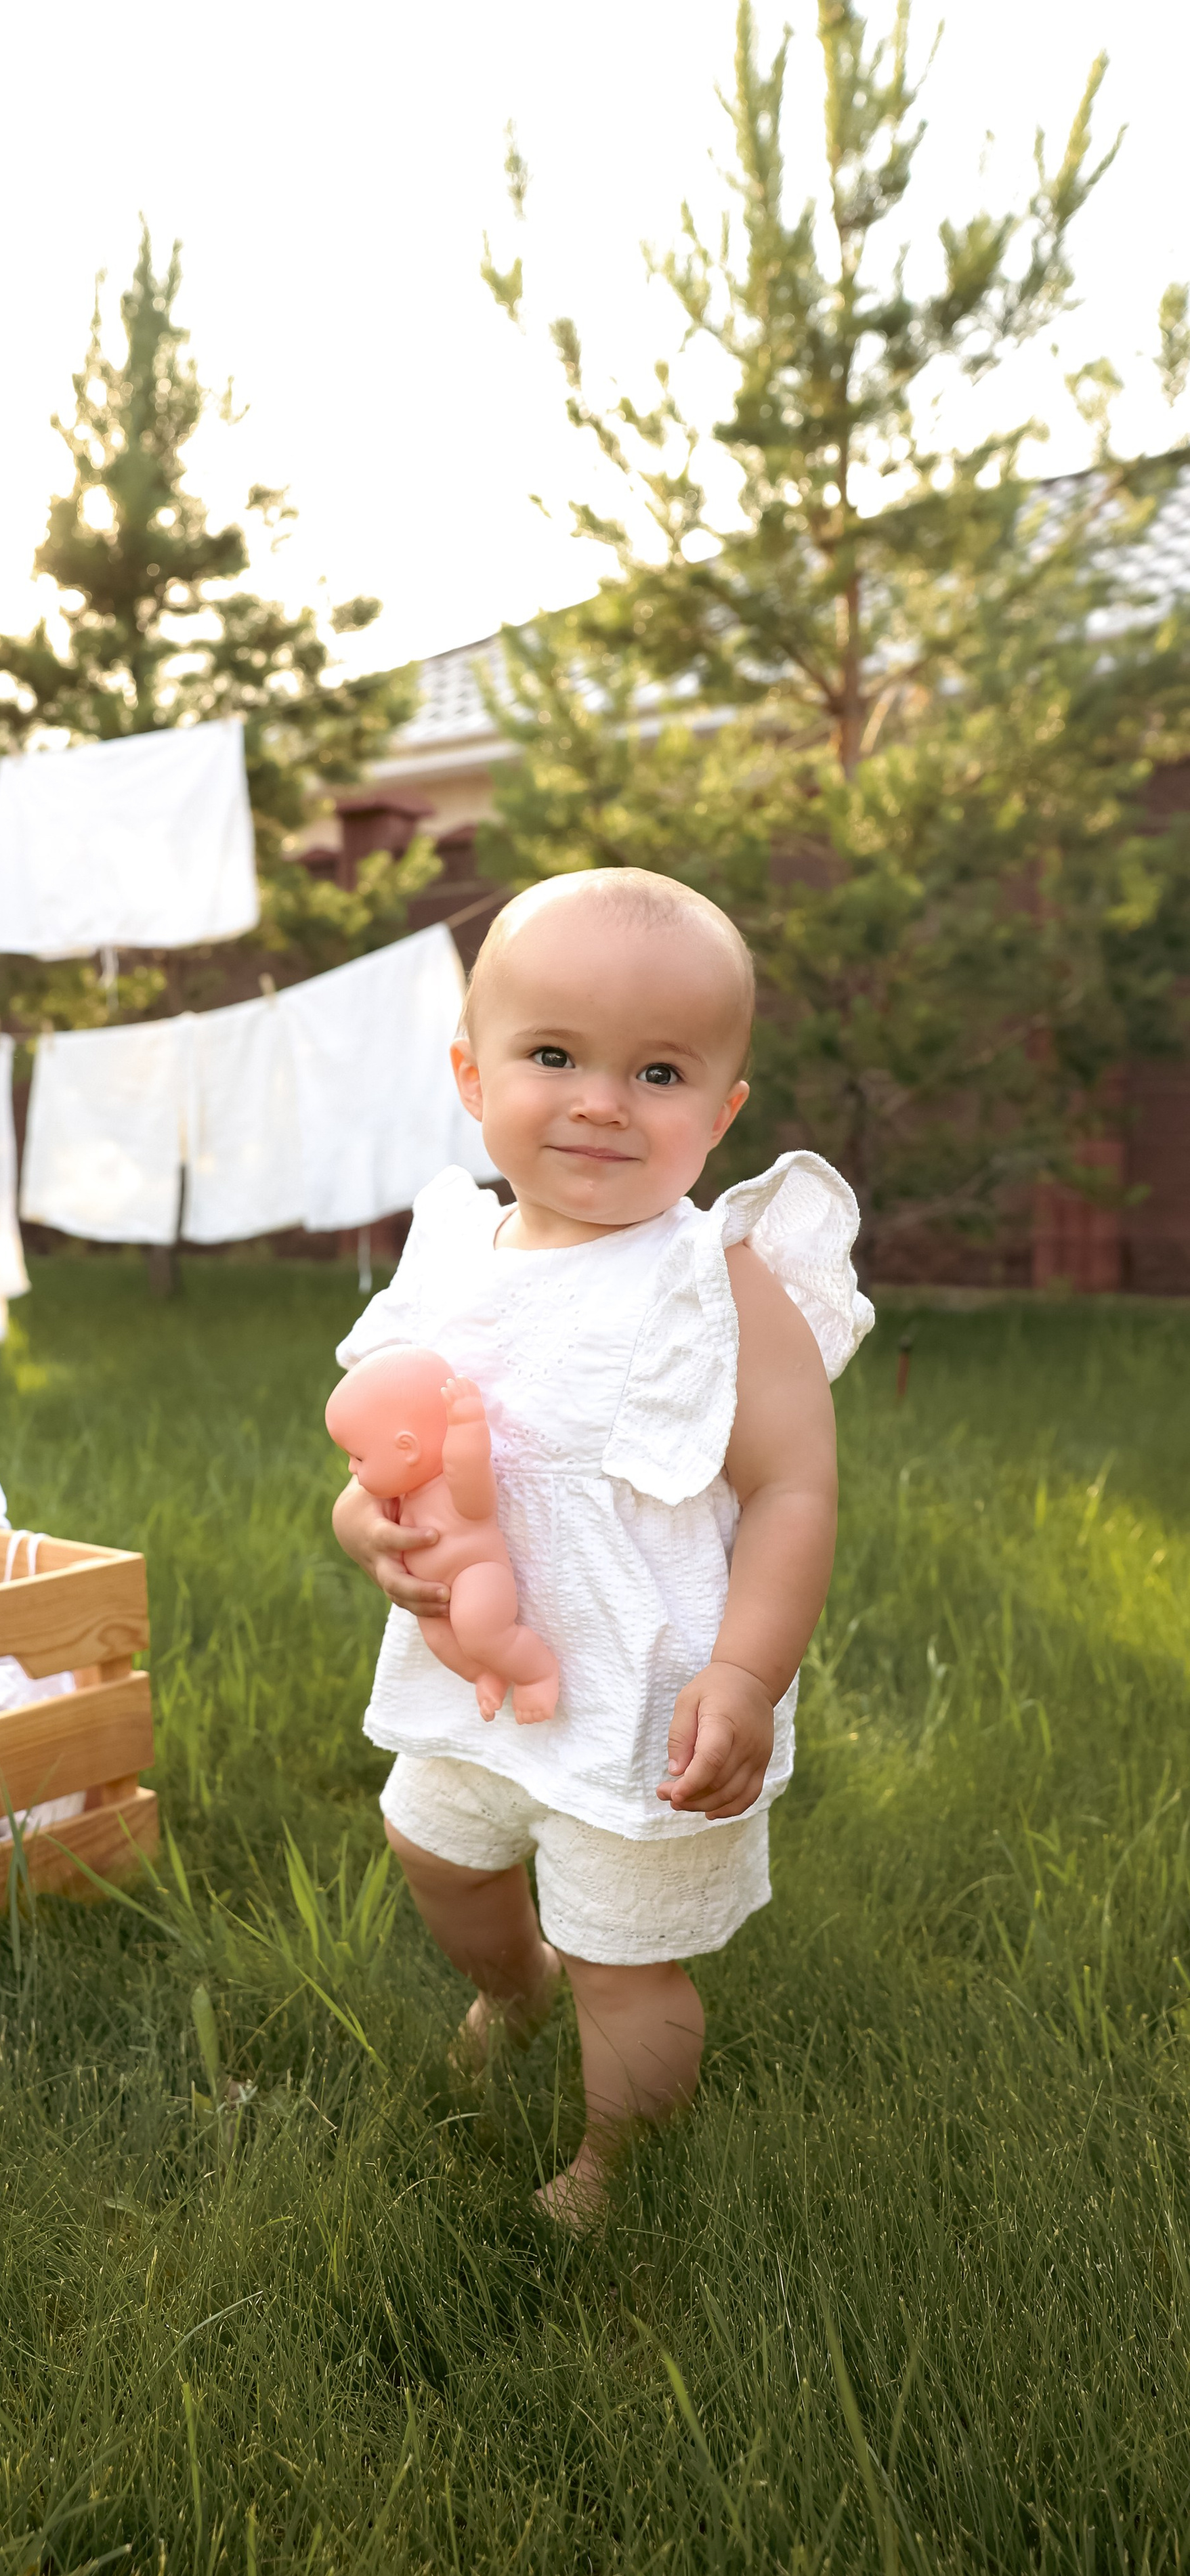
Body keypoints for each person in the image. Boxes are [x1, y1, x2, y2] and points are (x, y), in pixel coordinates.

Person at [329, 868, 872, 2223]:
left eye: (657, 1071)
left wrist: (742, 1677)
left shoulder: (715, 1283)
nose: (597, 1100)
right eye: (553, 1055)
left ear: (721, 1109)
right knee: (437, 1856)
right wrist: (364, 1532)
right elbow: (379, 1455)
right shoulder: (450, 1248)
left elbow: (792, 1491)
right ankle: (512, 1986)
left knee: (623, 1955)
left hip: (643, 1695)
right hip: (468, 1672)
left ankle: (613, 2167)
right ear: (471, 1074)